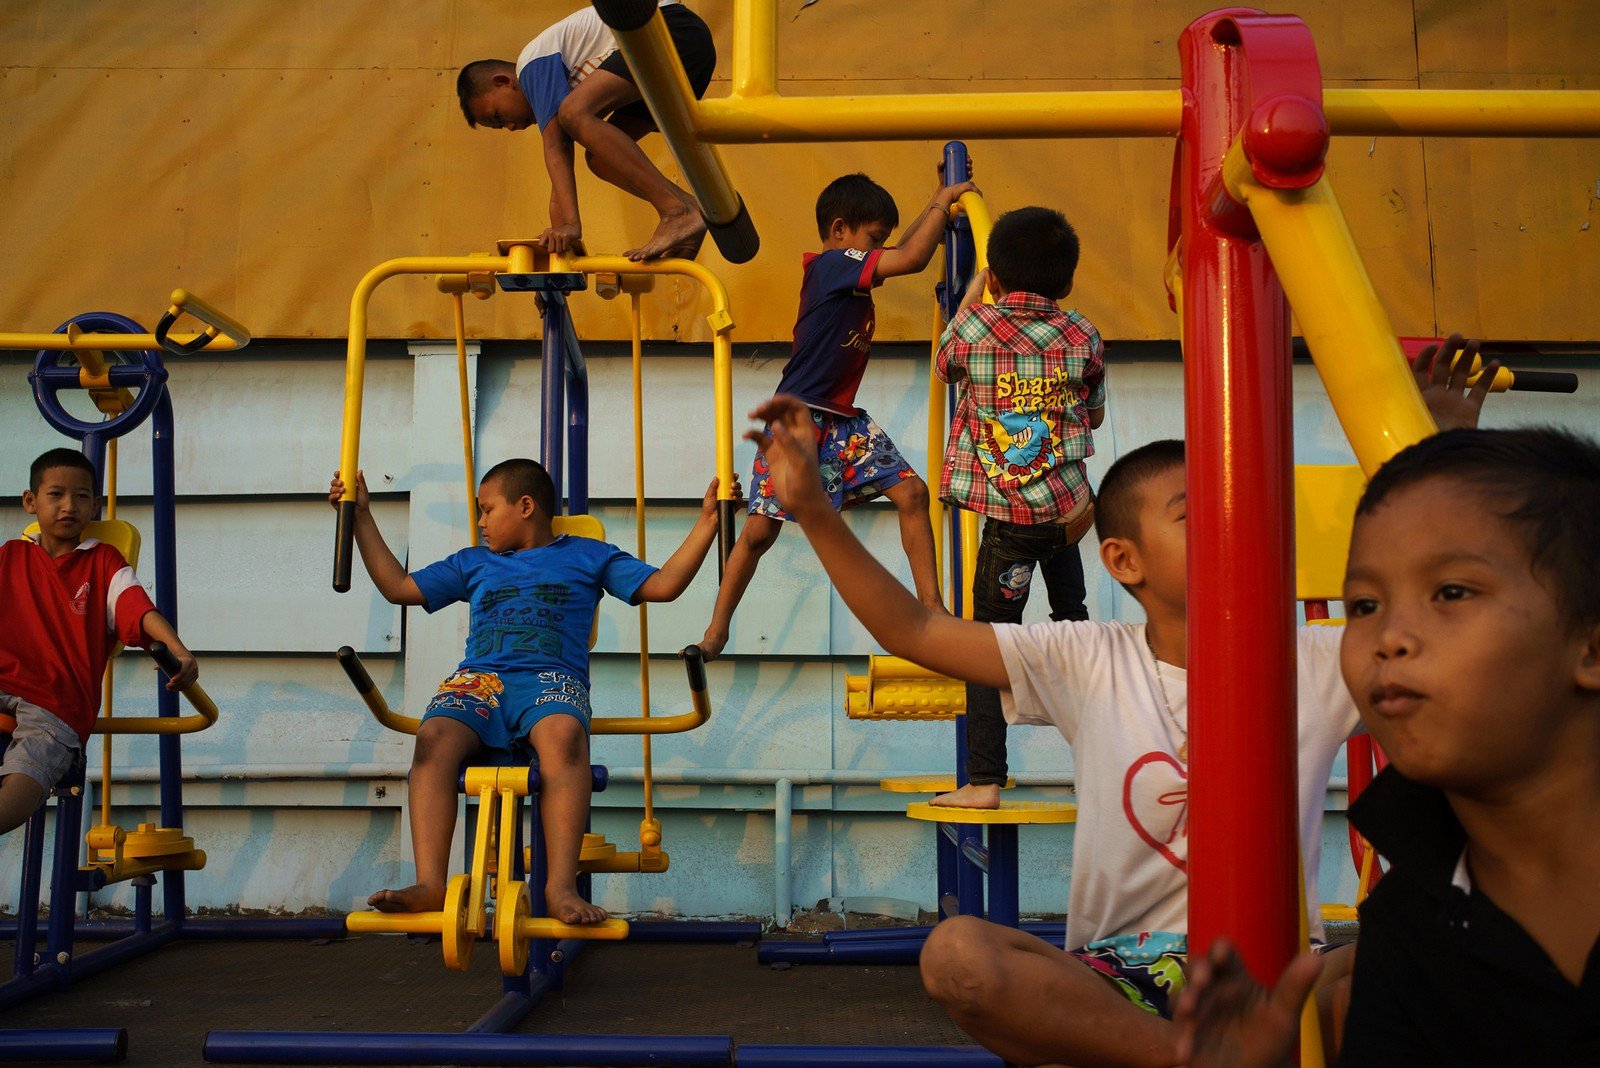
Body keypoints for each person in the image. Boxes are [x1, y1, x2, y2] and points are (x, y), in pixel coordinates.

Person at [739, 335, 1495, 1066]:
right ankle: (1189, 1058)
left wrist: (1437, 460)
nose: (1234, 525)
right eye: (1198, 514)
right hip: (1118, 979)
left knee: (1409, 952)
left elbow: (1443, 631)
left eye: (1245, 508)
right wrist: (813, 510)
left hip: (1274, 975)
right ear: (1124, 560)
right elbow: (914, 628)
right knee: (958, 953)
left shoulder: (1316, 657)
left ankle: (1216, 1052)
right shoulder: (1088, 657)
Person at [1174, 426, 1600, 1067]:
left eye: (1451, 593)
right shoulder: (1407, 928)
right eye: (1364, 604)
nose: (1389, 636)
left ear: (1591, 648)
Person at [333, 459, 729, 924]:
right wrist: (360, 515)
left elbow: (663, 586)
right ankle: (431, 884)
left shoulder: (589, 554)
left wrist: (707, 523)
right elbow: (398, 586)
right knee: (433, 737)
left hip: (551, 679)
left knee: (563, 735)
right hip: (480, 679)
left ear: (525, 507)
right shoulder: (473, 562)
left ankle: (559, 887)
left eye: (487, 510)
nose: (479, 522)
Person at [695, 169, 977, 661]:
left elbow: (902, 249)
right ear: (841, 229)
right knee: (760, 530)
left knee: (912, 493)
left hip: (843, 417)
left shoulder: (851, 267)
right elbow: (910, 259)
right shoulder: (831, 265)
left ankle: (932, 607)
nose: (877, 250)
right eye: (872, 240)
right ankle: (716, 631)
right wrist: (948, 198)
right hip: (799, 416)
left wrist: (935, 198)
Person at [930, 205, 1106, 810]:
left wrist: (975, 291)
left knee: (988, 642)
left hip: (1009, 525)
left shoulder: (974, 330)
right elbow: (1096, 409)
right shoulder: (1082, 333)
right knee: (1074, 627)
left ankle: (984, 779)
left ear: (997, 278)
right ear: (1068, 282)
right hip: (1068, 515)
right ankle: (1103, 761)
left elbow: (944, 363)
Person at [0, 449, 198, 835]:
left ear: (95, 505)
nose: (68, 506)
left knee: (32, 765)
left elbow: (137, 609)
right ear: (30, 501)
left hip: (55, 701)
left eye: (81, 496)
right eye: (55, 494)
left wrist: (178, 649)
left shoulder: (103, 561)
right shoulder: (10, 555)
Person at [456, 1, 716, 262]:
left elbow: (556, 148)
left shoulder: (531, 63)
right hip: (687, 60)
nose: (511, 127)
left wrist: (570, 224)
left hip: (668, 31)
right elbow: (559, 176)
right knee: (600, 160)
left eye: (498, 117)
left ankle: (677, 211)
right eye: (500, 127)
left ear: (503, 82)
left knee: (572, 114)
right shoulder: (563, 87)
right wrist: (557, 254)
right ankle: (689, 210)